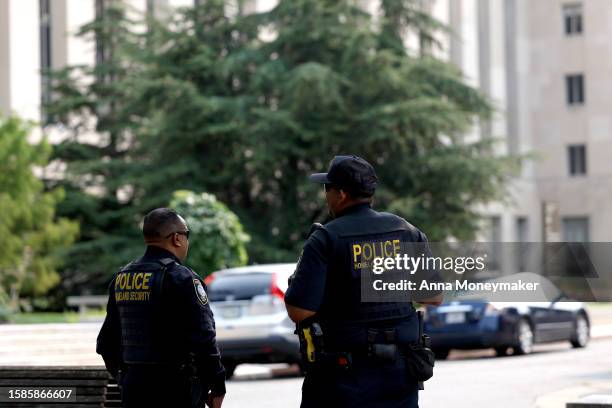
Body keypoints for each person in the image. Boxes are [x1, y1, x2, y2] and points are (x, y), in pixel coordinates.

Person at [285, 155, 443, 408]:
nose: (325, 195)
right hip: (400, 372)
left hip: (343, 377)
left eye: (327, 188)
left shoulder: (325, 238)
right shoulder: (406, 231)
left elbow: (299, 311)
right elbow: (433, 296)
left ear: (342, 194)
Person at [97, 208, 226, 408]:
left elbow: (106, 343)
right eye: (187, 234)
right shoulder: (182, 279)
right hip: (176, 390)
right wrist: (217, 386)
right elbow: (204, 339)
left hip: (135, 391)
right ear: (176, 238)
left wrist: (126, 379)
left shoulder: (122, 278)